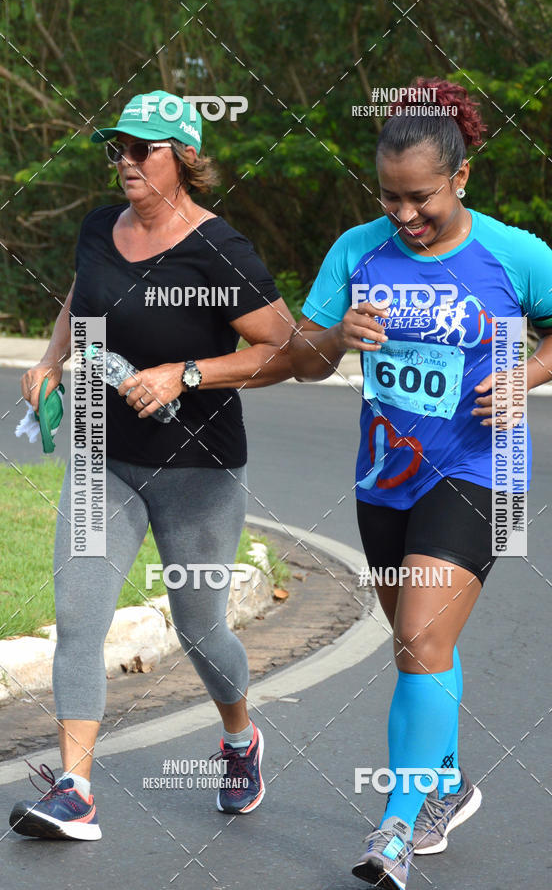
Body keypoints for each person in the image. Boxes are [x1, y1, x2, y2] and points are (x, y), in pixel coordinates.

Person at [289, 76, 552, 889]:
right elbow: (304, 361)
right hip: (386, 478)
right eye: (389, 197)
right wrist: (334, 336)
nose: (404, 215)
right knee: (420, 647)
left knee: (423, 638)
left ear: (461, 177)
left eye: (420, 197)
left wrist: (525, 377)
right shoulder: (355, 250)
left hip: (481, 468)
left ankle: (394, 822)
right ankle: (449, 784)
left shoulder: (515, 253)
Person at [11, 90, 294, 840]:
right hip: (103, 451)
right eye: (119, 149)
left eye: (144, 149)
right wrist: (50, 358)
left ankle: (240, 738)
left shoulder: (220, 250)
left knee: (201, 629)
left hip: (198, 470)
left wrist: (185, 373)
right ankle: (73, 786)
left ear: (184, 159)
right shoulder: (100, 228)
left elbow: (284, 350)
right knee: (78, 615)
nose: (127, 162)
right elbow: (84, 294)